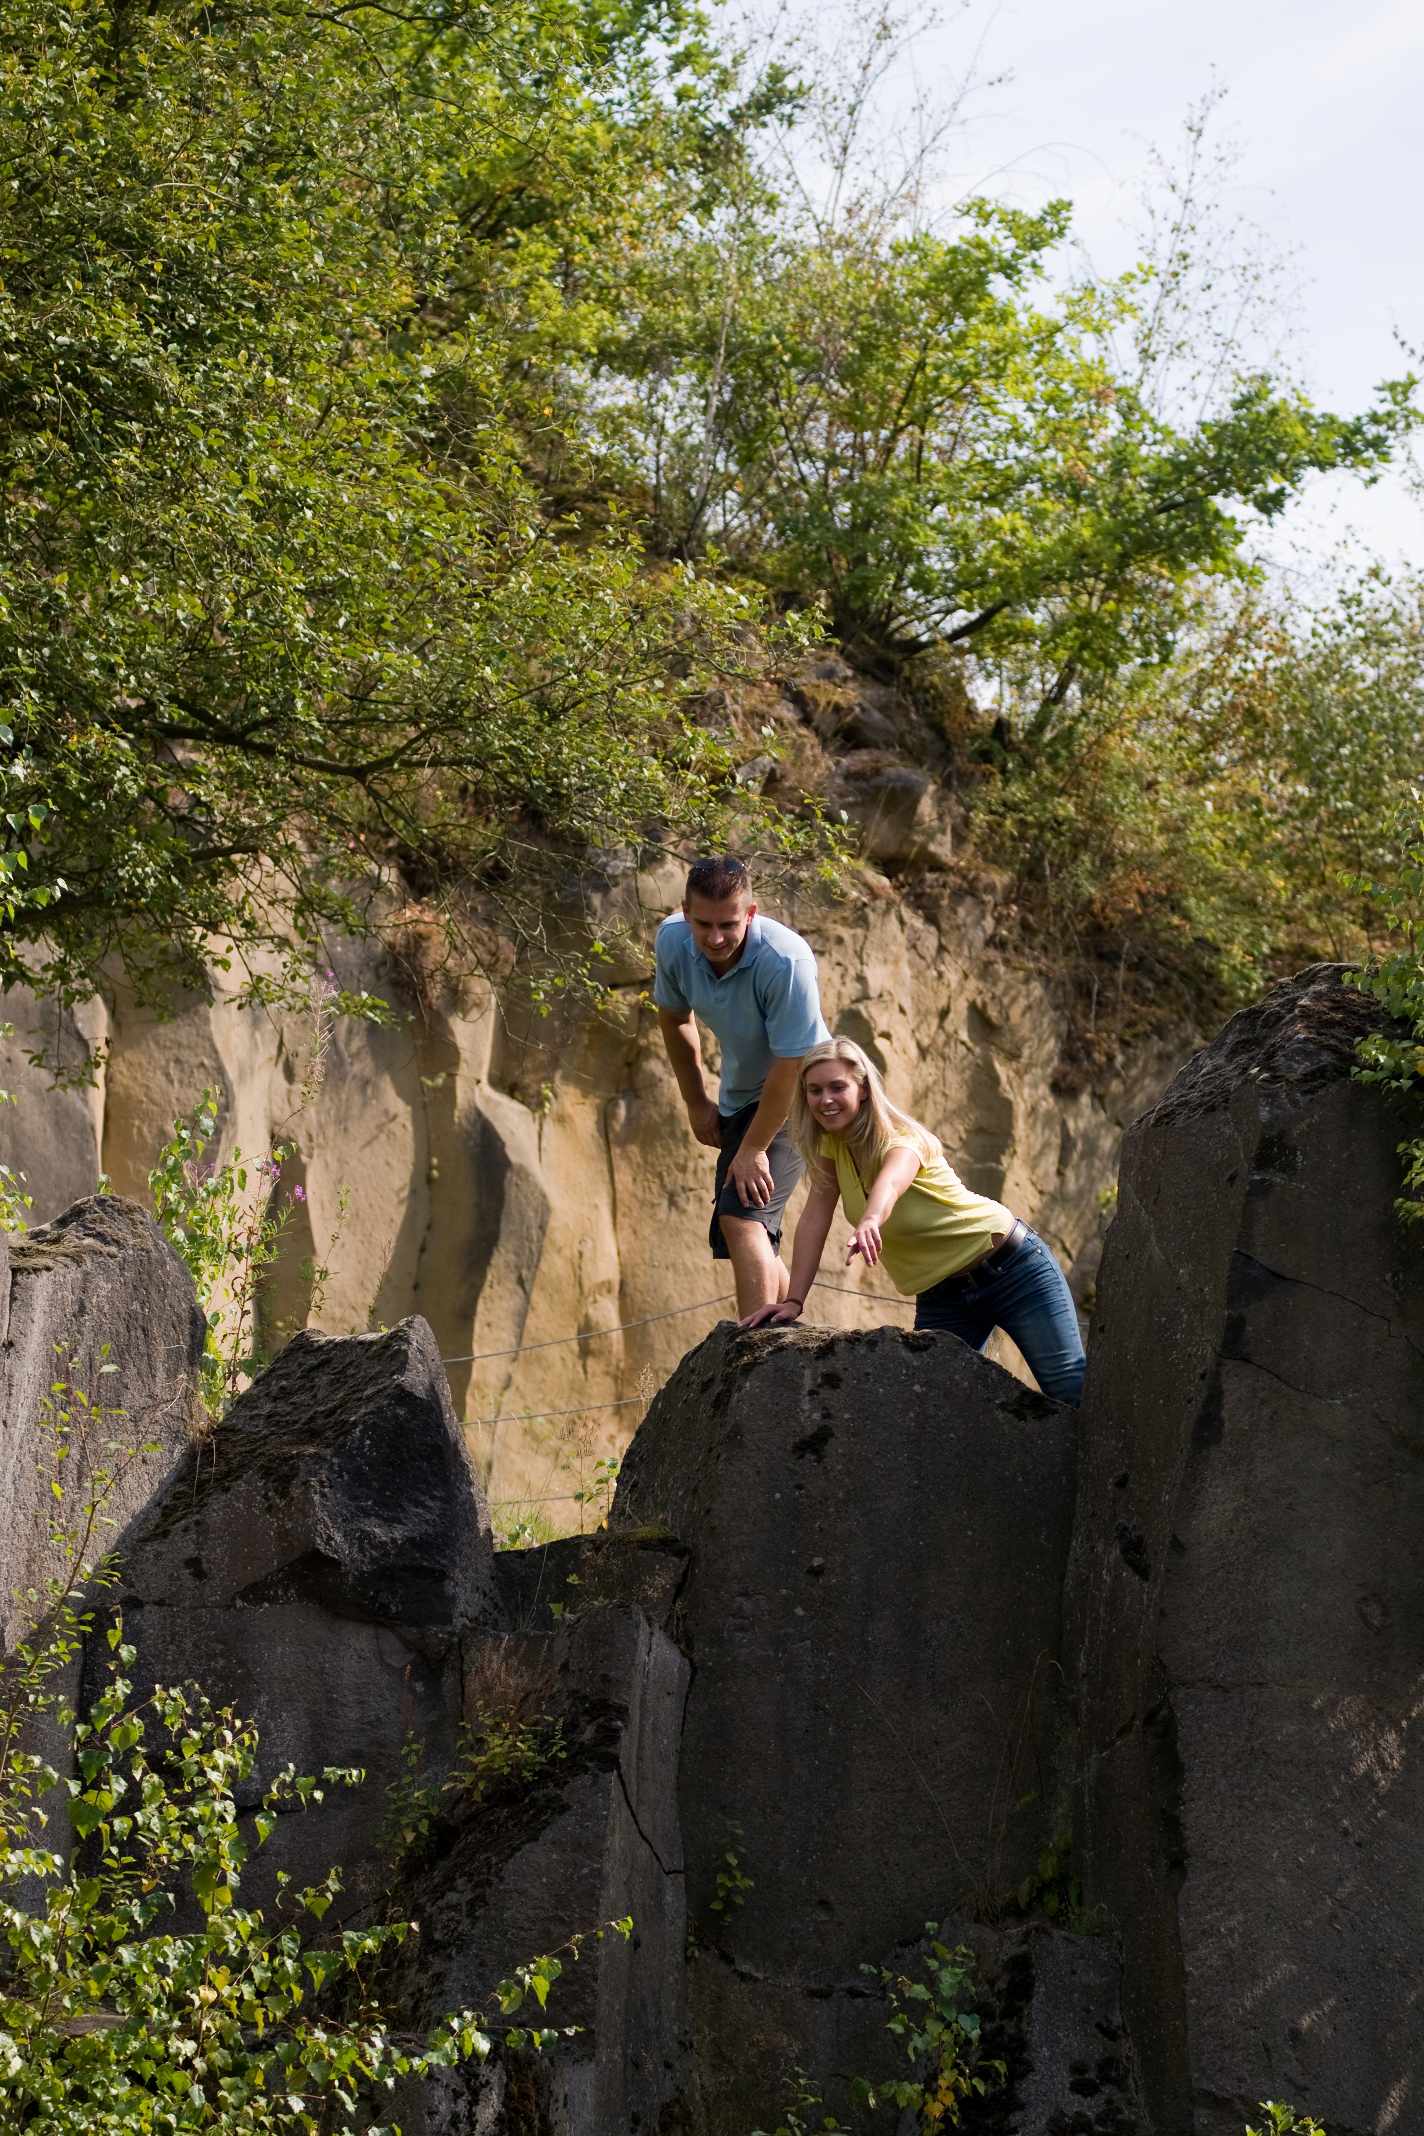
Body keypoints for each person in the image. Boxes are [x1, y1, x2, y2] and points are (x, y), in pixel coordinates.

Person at [740, 1036, 1086, 1404]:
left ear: (864, 1090)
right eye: (814, 1090)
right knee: (932, 1409)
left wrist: (871, 1219)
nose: (825, 1099)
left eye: (837, 1087)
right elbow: (814, 1218)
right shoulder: (832, 1149)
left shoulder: (903, 1139)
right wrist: (794, 1300)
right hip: (943, 1296)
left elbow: (890, 1184)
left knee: (1068, 1388)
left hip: (1013, 1269)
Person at [654, 856, 830, 1317]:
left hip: (806, 1093)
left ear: (750, 913)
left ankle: (756, 1356)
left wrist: (752, 1149)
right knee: (751, 1230)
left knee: (743, 1214)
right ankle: (789, 1336)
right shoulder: (673, 942)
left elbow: (792, 1063)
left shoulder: (784, 960)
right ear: (685, 913)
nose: (715, 938)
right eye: (704, 924)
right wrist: (696, 1102)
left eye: (728, 924)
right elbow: (674, 1018)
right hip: (742, 1094)